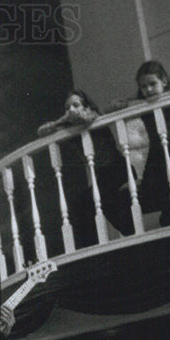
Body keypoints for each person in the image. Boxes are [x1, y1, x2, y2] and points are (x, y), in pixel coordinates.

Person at [109, 61, 170, 226]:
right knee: (153, 183)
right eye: (143, 86)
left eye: (152, 84)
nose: (148, 90)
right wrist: (123, 103)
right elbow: (109, 109)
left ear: (164, 81)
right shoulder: (141, 103)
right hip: (157, 154)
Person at [37, 89, 134, 241]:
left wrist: (68, 118)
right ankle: (116, 236)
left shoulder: (94, 116)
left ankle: (130, 232)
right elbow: (42, 131)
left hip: (118, 168)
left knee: (97, 199)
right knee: (84, 203)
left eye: (76, 105)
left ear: (87, 106)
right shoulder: (69, 127)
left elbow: (86, 118)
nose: (71, 110)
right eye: (67, 108)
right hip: (101, 175)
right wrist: (60, 122)